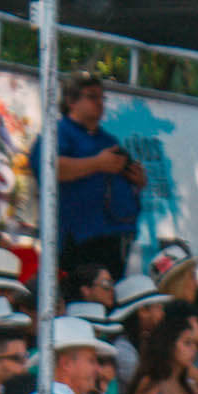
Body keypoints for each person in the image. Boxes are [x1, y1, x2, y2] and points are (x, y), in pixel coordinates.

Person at [51, 72, 145, 275]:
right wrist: (96, 163)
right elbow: (52, 168)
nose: (100, 103)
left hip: (116, 236)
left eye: (102, 97)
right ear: (71, 101)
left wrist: (137, 180)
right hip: (80, 238)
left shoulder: (108, 140)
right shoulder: (58, 132)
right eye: (92, 96)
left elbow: (123, 177)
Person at [126, 308, 198, 394]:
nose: (194, 349)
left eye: (195, 343)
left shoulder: (188, 386)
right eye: (187, 343)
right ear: (168, 344)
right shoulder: (150, 383)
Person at [106, 274, 167, 390]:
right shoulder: (121, 349)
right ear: (143, 311)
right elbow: (147, 388)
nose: (163, 313)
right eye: (158, 307)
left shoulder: (146, 340)